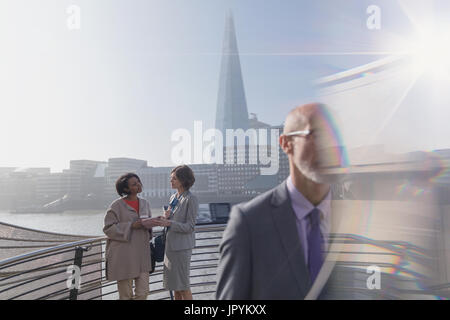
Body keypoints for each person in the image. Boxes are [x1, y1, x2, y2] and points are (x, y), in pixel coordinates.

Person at [216, 103, 343, 299]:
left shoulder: (356, 221)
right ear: (286, 144)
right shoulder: (249, 223)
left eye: (336, 136)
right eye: (317, 135)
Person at [103, 173, 159, 300]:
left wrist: (153, 223)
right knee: (125, 295)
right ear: (125, 189)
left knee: (143, 293)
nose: (138, 184)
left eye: (138, 181)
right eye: (134, 184)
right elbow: (108, 228)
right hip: (124, 256)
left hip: (142, 255)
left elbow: (147, 227)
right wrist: (132, 225)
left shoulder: (145, 203)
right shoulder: (116, 205)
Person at [153, 165, 199, 300]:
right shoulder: (173, 197)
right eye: (171, 178)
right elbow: (172, 220)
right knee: (175, 286)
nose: (171, 181)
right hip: (171, 247)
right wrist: (166, 217)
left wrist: (170, 223)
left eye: (174, 178)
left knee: (183, 286)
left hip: (181, 248)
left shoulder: (191, 199)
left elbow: (190, 227)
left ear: (183, 180)